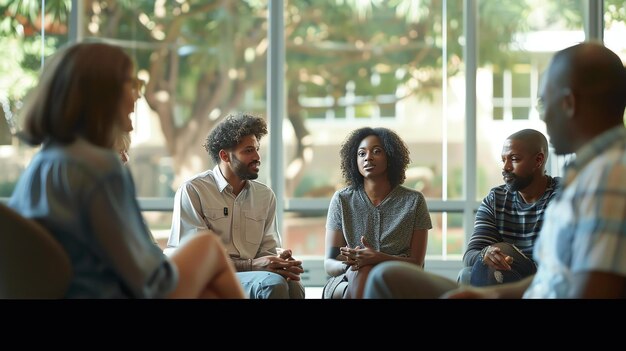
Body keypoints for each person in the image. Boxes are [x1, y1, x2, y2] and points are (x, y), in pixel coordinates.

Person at [364, 42, 626, 299]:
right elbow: (553, 278)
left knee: (384, 281)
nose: (543, 117)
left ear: (568, 103)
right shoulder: (589, 174)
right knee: (387, 277)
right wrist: (492, 295)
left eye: (545, 103)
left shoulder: (609, 176)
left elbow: (595, 290)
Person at [8, 42, 244, 299]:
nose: (138, 95)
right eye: (133, 85)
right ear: (103, 93)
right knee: (207, 246)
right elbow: (148, 280)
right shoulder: (98, 167)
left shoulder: (44, 163)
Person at [167, 112, 305, 299]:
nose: (257, 156)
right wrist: (252, 265)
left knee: (294, 284)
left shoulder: (265, 196)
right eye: (248, 150)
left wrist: (280, 262)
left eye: (257, 149)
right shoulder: (194, 191)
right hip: (212, 278)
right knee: (273, 285)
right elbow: (198, 261)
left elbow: (267, 251)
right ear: (225, 155)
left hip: (255, 275)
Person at [323, 127, 432, 299]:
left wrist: (377, 258)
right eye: (361, 153)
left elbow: (416, 264)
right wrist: (353, 264)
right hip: (347, 277)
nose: (368, 157)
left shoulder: (414, 201)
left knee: (371, 274)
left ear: (390, 157)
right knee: (364, 272)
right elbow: (329, 263)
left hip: (399, 277)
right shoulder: (342, 199)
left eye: (376, 151)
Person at [458, 129, 561, 286]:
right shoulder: (495, 199)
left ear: (538, 160)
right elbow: (470, 255)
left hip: (550, 279)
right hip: (506, 279)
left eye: (514, 159)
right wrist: (487, 254)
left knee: (503, 250)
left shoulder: (563, 194)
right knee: (467, 273)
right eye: (503, 160)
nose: (506, 167)